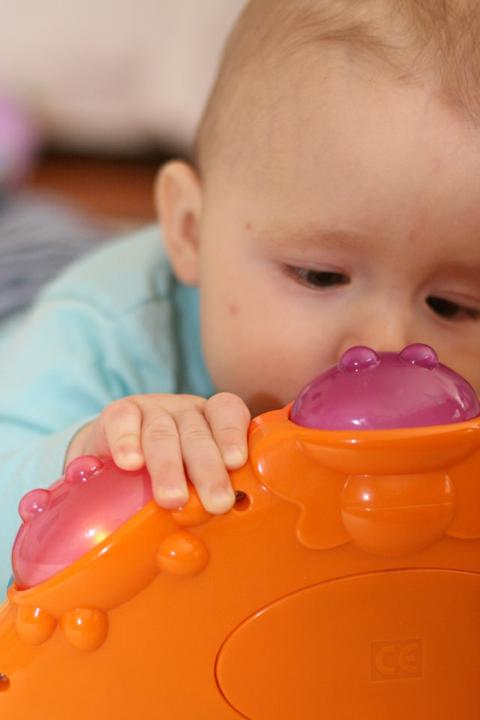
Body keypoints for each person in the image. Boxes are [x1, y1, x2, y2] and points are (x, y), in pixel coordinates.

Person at [1, 0, 480, 589]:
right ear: (190, 231)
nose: (388, 345)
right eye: (320, 276)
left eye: (455, 305)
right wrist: (88, 455)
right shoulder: (99, 334)